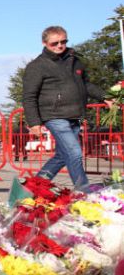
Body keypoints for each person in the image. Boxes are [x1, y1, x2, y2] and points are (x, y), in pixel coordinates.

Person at [23, 25, 109, 190]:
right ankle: (83, 191)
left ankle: (34, 186)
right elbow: (29, 96)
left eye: (63, 41)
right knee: (74, 153)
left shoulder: (75, 61)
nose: (59, 46)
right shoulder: (37, 66)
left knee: (63, 155)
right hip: (54, 115)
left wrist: (106, 97)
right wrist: (34, 122)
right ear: (44, 43)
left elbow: (85, 84)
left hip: (75, 115)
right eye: (54, 43)